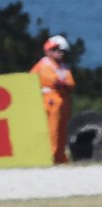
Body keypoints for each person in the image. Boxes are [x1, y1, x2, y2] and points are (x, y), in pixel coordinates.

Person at [30, 35, 76, 164]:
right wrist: (63, 85)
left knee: (62, 134)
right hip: (50, 103)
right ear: (50, 50)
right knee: (52, 132)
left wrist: (64, 85)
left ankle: (61, 159)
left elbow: (71, 84)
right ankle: (51, 158)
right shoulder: (43, 65)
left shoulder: (63, 68)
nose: (61, 54)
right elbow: (54, 82)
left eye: (63, 51)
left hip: (63, 104)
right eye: (58, 50)